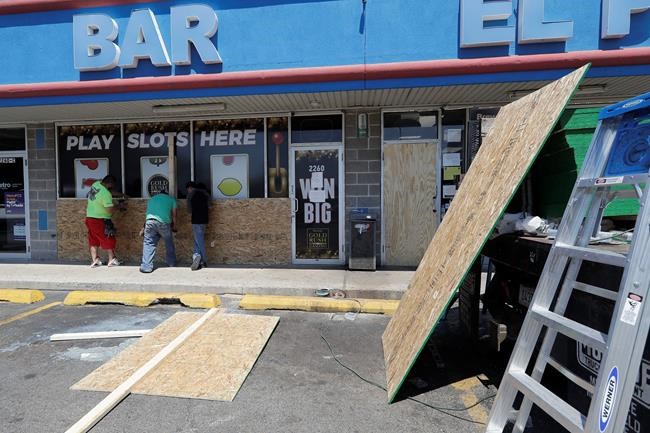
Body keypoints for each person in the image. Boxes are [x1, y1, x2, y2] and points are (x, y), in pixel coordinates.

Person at [139, 188, 178, 273]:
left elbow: (148, 215)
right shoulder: (171, 199)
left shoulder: (152, 199)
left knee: (148, 243)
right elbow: (174, 215)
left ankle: (146, 267)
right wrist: (174, 226)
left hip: (150, 222)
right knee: (168, 242)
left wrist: (143, 228)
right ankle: (171, 262)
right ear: (167, 194)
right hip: (164, 223)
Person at [86, 175, 120, 268]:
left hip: (89, 217)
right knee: (108, 237)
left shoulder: (96, 184)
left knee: (93, 239)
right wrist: (117, 207)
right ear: (110, 184)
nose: (111, 187)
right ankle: (111, 259)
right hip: (100, 219)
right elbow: (109, 210)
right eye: (112, 185)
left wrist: (121, 195)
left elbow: (107, 191)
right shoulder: (106, 194)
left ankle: (95, 260)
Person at [186, 181, 210, 270]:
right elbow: (210, 206)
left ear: (190, 188)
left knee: (199, 240)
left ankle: (204, 260)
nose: (187, 191)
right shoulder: (206, 194)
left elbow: (189, 210)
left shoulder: (190, 195)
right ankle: (197, 258)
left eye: (187, 189)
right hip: (204, 220)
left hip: (196, 220)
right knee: (198, 240)